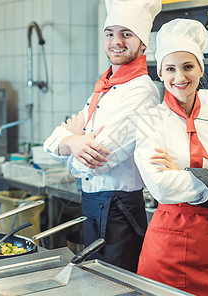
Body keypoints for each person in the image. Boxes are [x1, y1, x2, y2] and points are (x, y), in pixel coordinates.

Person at [134, 18, 208, 296]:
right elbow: (162, 188)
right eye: (170, 69)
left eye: (188, 67)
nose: (180, 77)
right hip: (168, 251)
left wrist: (183, 175)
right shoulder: (150, 122)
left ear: (201, 68)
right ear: (160, 73)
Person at [43, 0, 161, 272]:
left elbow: (97, 160)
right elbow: (54, 140)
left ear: (143, 43)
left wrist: (72, 144)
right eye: (109, 33)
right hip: (93, 204)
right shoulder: (105, 85)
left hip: (119, 211)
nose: (115, 41)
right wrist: (73, 140)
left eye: (126, 34)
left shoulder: (142, 90)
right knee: (93, 281)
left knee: (115, 288)